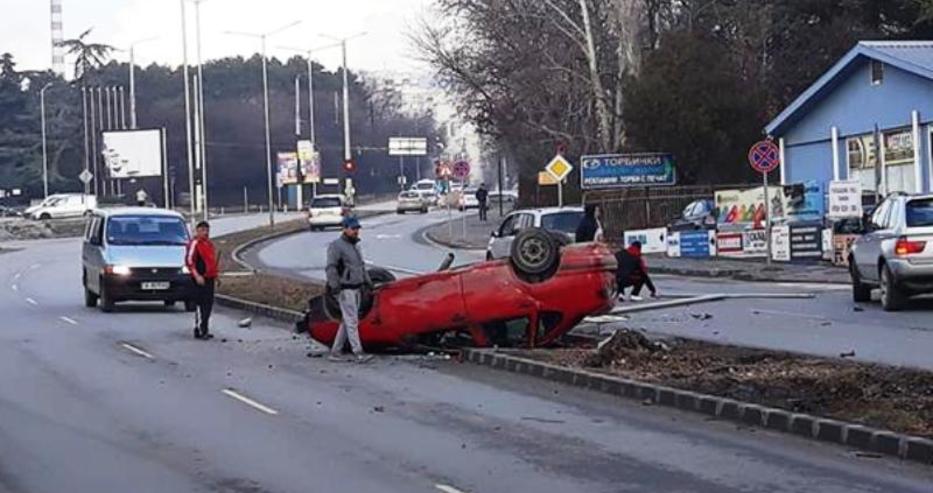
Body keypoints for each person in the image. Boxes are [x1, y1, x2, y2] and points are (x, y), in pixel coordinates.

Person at [326, 216, 373, 363]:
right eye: (353, 229)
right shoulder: (336, 246)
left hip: (356, 288)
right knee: (352, 321)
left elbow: (361, 265)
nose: (356, 231)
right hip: (345, 289)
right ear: (345, 229)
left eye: (357, 229)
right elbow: (331, 267)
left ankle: (336, 351)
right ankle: (358, 352)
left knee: (348, 321)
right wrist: (335, 286)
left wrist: (367, 282)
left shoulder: (355, 246)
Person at [186, 221, 219, 339]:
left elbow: (212, 262)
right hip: (199, 278)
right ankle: (200, 328)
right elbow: (190, 261)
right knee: (200, 304)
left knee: (208, 304)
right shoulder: (195, 244)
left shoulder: (209, 244)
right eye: (203, 230)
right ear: (198, 231)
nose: (206, 233)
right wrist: (196, 275)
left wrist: (216, 276)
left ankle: (205, 327)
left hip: (209, 278)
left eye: (207, 230)